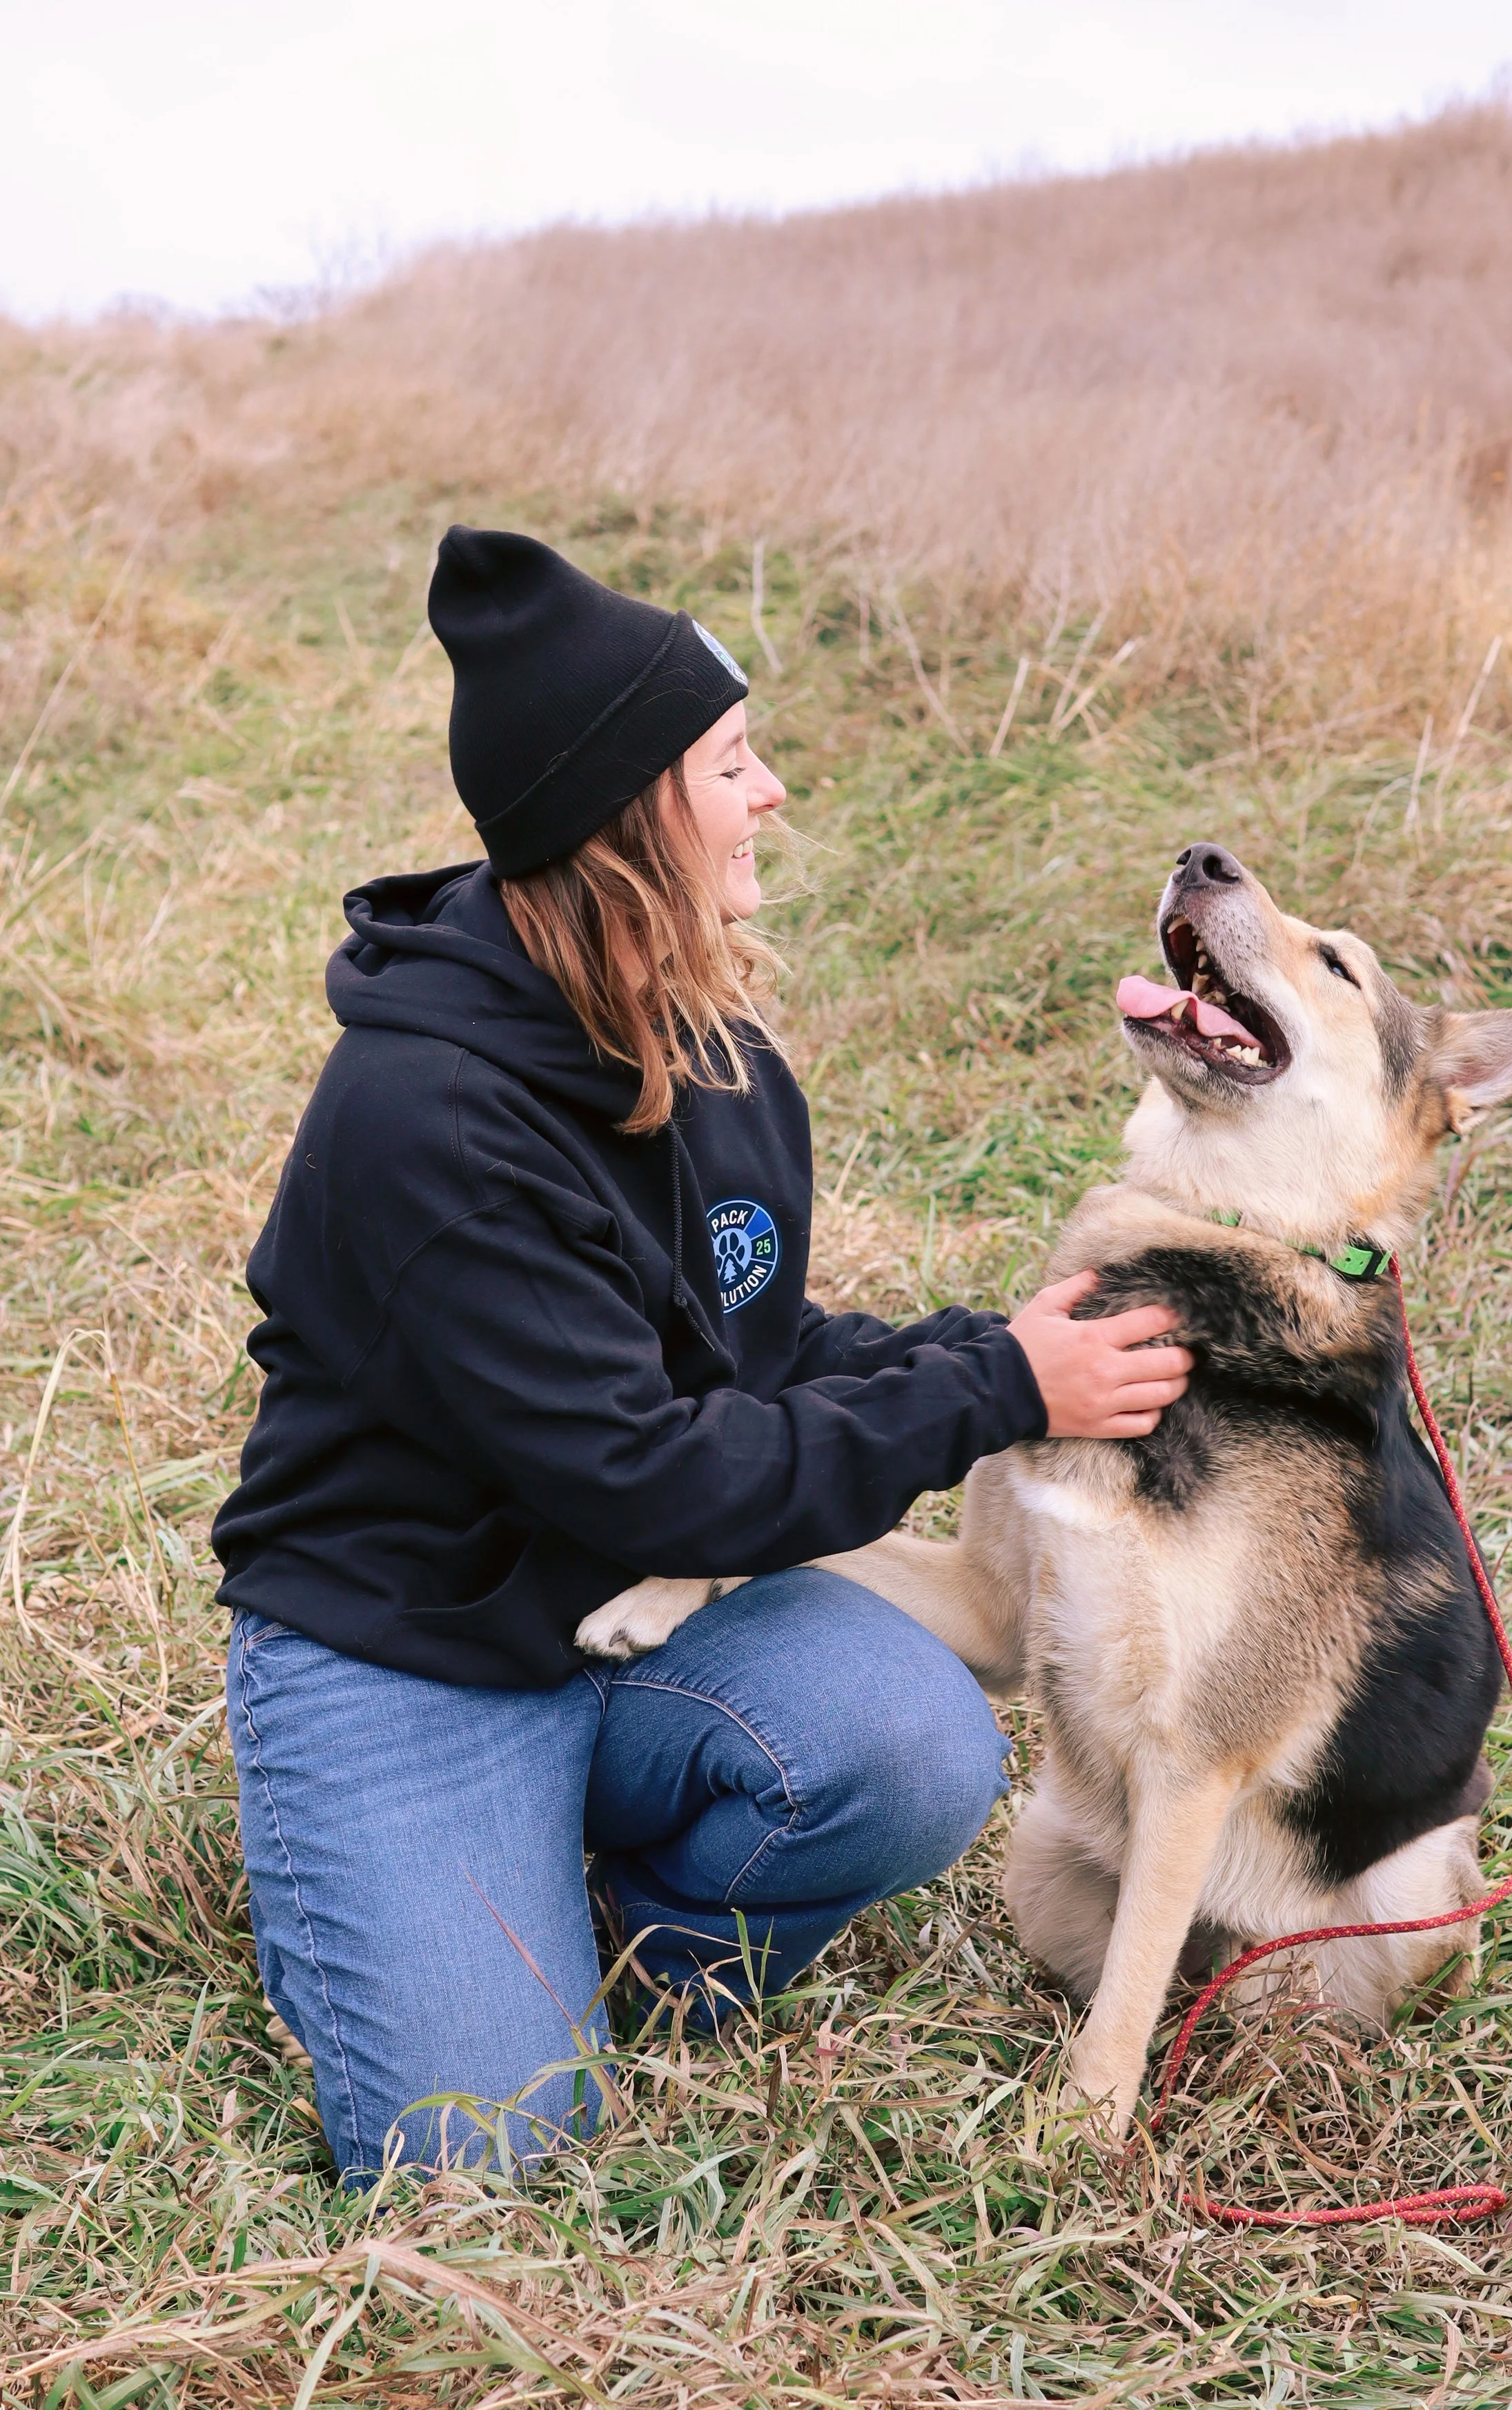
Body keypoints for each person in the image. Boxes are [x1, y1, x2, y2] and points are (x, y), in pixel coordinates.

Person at [213, 529, 1192, 2181]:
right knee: (483, 2156)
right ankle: (394, 1877)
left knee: (912, 1750)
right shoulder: (429, 1127)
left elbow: (757, 1349)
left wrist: (996, 1346)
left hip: (630, 1621)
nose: (774, 791)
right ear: (627, 820)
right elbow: (661, 1474)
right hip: (407, 1650)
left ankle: (618, 1937)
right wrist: (1000, 1391)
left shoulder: (707, 1042)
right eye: (733, 763)